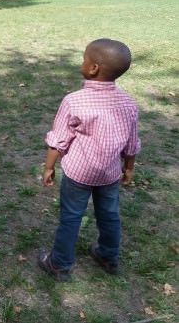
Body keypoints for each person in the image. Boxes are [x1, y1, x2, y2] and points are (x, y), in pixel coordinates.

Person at [38, 38, 141, 281]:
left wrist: (49, 167)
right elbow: (132, 143)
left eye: (85, 58)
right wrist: (129, 168)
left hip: (78, 174)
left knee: (71, 217)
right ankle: (109, 257)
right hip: (109, 174)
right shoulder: (128, 102)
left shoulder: (73, 100)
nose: (82, 62)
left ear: (93, 68)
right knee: (110, 214)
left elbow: (59, 140)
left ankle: (59, 264)